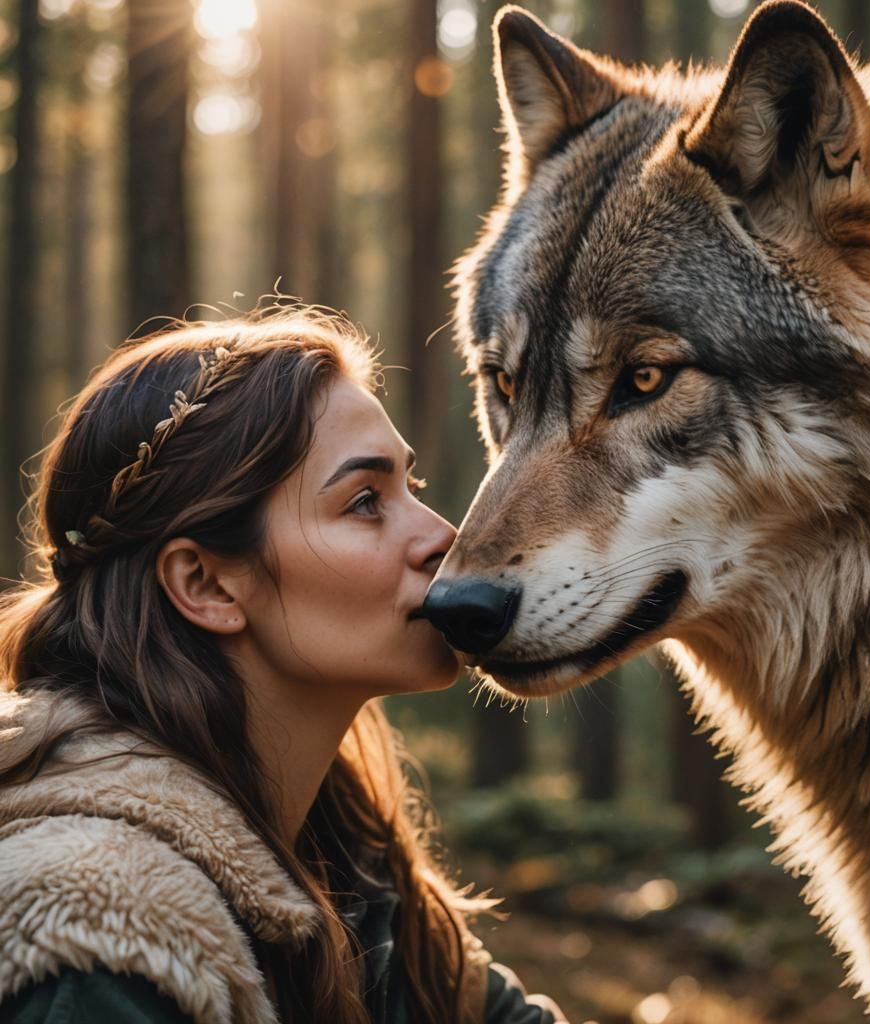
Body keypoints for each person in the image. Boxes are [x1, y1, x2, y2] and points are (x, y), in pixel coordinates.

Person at [0, 304, 565, 1024]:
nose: (444, 538)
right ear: (205, 584)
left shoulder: (351, 869)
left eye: (410, 491)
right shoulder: (98, 937)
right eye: (365, 502)